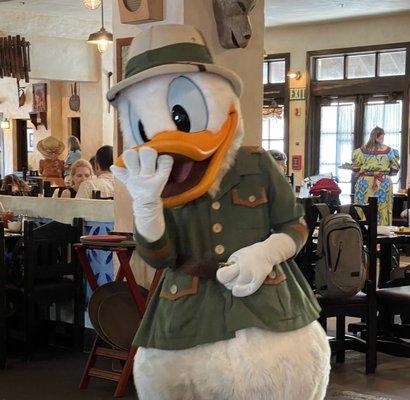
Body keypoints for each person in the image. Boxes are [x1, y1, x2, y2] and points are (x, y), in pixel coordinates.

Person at [353, 126, 400, 225]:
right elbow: (395, 170)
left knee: (364, 208)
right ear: (380, 137)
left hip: (364, 183)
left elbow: (356, 170)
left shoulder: (360, 151)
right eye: (382, 138)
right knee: (382, 207)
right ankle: (382, 234)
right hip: (383, 183)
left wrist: (366, 171)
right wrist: (385, 172)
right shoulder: (389, 151)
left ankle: (364, 233)